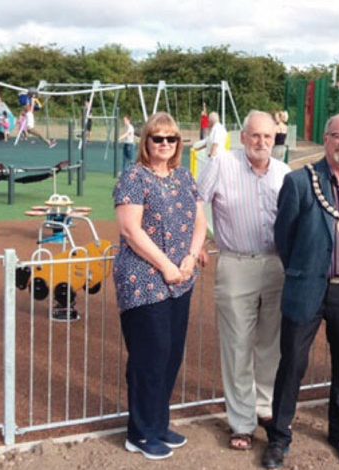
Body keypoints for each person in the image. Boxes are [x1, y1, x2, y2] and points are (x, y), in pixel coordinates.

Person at [262, 113, 339, 469]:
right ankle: (280, 436)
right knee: (292, 365)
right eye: (337, 136)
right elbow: (284, 237)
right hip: (307, 288)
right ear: (326, 139)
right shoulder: (301, 181)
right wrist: (306, 270)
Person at [113, 111, 208, 461]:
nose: (165, 144)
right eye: (158, 138)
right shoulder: (133, 178)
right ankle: (139, 432)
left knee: (170, 355)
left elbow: (200, 221)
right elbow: (130, 230)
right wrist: (167, 265)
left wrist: (191, 256)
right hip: (143, 280)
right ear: (146, 141)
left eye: (171, 139)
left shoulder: (184, 176)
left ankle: (158, 422)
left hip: (180, 279)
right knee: (149, 357)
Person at [198, 110, 290, 452]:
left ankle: (263, 407)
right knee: (237, 346)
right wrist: (199, 242)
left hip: (276, 264)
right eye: (255, 136)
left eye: (267, 137)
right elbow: (197, 201)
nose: (261, 142)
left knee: (270, 344)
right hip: (236, 263)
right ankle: (241, 422)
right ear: (243, 137)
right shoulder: (222, 165)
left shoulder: (283, 172)